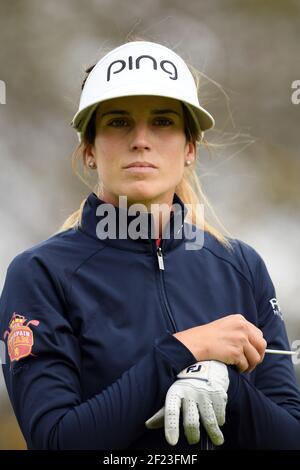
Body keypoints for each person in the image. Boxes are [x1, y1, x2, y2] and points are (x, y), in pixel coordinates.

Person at [0, 39, 300, 451]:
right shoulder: (40, 274)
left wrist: (225, 385)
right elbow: (55, 440)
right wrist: (183, 351)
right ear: (89, 149)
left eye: (162, 122)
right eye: (119, 122)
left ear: (190, 148)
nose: (141, 140)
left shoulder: (241, 266)